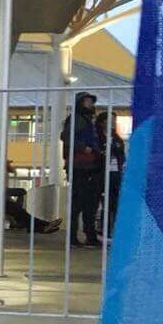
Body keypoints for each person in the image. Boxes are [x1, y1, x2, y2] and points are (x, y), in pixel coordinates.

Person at [61, 91, 101, 247]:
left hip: (86, 167)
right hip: (81, 167)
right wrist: (85, 148)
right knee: (79, 203)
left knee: (85, 203)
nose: (91, 104)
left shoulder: (85, 119)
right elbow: (66, 136)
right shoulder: (78, 119)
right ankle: (74, 237)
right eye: (87, 102)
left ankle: (83, 236)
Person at [95, 110, 124, 233]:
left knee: (114, 202)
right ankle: (103, 227)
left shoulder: (117, 139)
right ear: (102, 122)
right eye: (109, 120)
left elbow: (121, 156)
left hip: (115, 174)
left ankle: (113, 229)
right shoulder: (97, 137)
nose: (112, 123)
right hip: (100, 173)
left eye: (114, 121)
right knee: (102, 203)